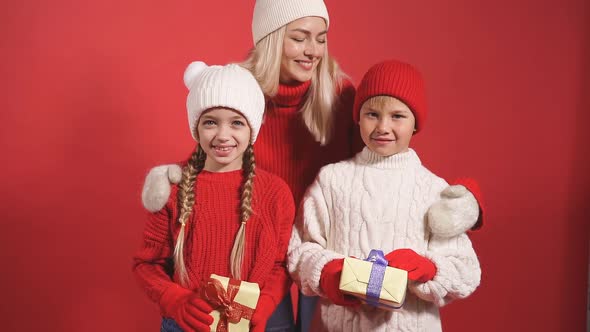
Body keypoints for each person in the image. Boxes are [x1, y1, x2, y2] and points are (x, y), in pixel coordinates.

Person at [139, 1, 485, 331]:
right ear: (271, 39)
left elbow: (384, 167)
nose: (313, 50)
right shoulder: (238, 91)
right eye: (299, 37)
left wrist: (467, 197)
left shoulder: (340, 95)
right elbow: (214, 153)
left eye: (321, 38)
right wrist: (171, 176)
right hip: (255, 246)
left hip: (323, 242)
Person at [287, 60, 481, 331]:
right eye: (372, 114)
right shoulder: (332, 180)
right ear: (358, 117)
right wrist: (328, 273)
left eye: (397, 116)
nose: (383, 126)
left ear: (416, 123)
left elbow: (466, 271)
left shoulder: (433, 189)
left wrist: (428, 268)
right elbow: (299, 250)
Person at [133, 62, 295, 332]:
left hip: (252, 323)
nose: (223, 135)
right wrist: (176, 300)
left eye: (236, 123)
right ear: (196, 126)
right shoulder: (173, 188)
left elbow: (281, 264)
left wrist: (265, 304)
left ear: (252, 129)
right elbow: (146, 264)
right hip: (185, 325)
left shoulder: (275, 193)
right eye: (210, 122)